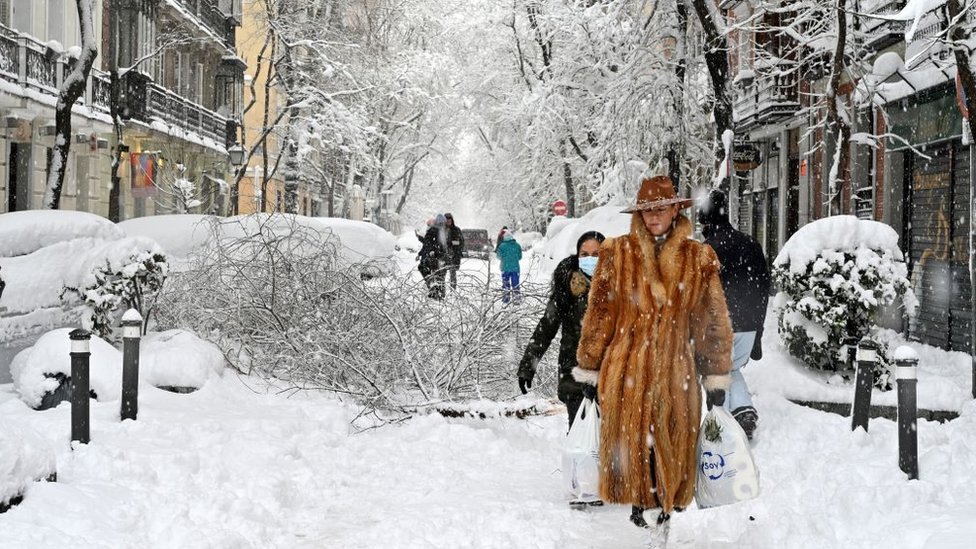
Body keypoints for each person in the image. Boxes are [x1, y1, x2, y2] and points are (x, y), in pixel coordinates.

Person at [573, 175, 733, 541]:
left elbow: (711, 319)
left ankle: (663, 518)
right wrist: (590, 368)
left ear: (676, 208)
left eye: (661, 208)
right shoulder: (616, 254)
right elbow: (599, 315)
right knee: (634, 460)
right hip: (625, 370)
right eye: (646, 210)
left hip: (678, 372)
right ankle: (644, 516)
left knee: (673, 460)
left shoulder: (698, 257)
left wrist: (716, 375)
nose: (654, 217)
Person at [518, 231, 605, 507]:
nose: (590, 259)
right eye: (585, 255)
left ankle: (602, 482)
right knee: (579, 427)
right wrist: (528, 364)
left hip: (609, 371)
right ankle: (582, 486)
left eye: (597, 254)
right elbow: (547, 326)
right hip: (574, 369)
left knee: (603, 429)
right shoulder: (568, 286)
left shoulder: (618, 285)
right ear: (577, 257)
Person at [698, 190, 771, 440]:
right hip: (748, 325)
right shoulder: (750, 243)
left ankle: (719, 424)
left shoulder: (707, 250)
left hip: (720, 326)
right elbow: (763, 287)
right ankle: (743, 410)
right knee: (729, 368)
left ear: (704, 221)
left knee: (716, 372)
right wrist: (758, 329)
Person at [418, 214, 449, 299]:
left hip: (436, 257)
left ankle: (436, 291)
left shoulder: (437, 230)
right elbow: (428, 243)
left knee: (435, 274)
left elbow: (428, 243)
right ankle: (437, 292)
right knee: (438, 275)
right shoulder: (440, 231)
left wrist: (432, 251)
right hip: (437, 257)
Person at [495, 229, 522, 304]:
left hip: (505, 268)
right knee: (516, 284)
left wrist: (505, 258)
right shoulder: (517, 245)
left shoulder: (502, 246)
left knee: (506, 284)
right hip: (515, 268)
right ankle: (516, 299)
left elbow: (498, 256)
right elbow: (520, 257)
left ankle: (506, 299)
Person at [444, 213, 465, 290]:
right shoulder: (441, 230)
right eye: (447, 221)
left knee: (453, 273)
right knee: (441, 273)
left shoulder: (456, 230)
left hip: (453, 255)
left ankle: (453, 290)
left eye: (449, 221)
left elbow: (461, 242)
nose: (448, 222)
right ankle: (441, 290)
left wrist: (453, 244)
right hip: (443, 255)